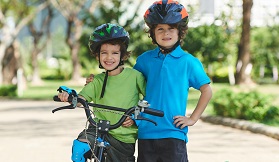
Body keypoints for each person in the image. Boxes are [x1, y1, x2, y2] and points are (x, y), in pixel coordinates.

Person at [133, 0, 212, 162]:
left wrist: (192, 119)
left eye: (171, 28)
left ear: (180, 31)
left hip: (174, 133)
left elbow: (206, 91)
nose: (165, 33)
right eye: (160, 29)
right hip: (146, 132)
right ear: (153, 33)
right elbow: (129, 86)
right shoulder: (145, 60)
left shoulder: (189, 62)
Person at [58, 23, 146, 162]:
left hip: (123, 137)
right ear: (97, 56)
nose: (109, 57)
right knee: (78, 149)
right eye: (104, 53)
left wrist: (136, 116)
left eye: (114, 53)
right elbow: (82, 99)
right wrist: (69, 97)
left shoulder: (135, 76)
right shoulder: (96, 80)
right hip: (97, 129)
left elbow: (149, 99)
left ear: (122, 55)